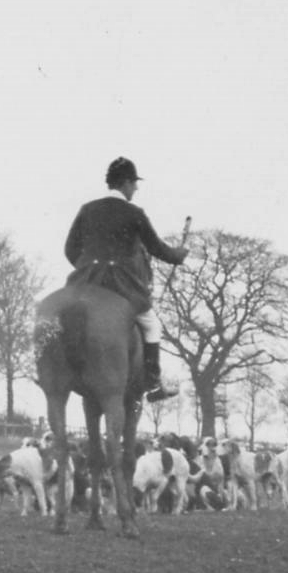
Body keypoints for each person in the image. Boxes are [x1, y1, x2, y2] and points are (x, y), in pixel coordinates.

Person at [62, 157, 190, 402]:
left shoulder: (87, 209)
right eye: (134, 183)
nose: (136, 189)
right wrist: (179, 255)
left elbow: (70, 249)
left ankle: (59, 371)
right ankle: (153, 385)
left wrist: (87, 269)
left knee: (63, 320)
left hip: (86, 285)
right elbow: (157, 248)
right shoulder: (134, 213)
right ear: (126, 183)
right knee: (152, 325)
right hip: (123, 288)